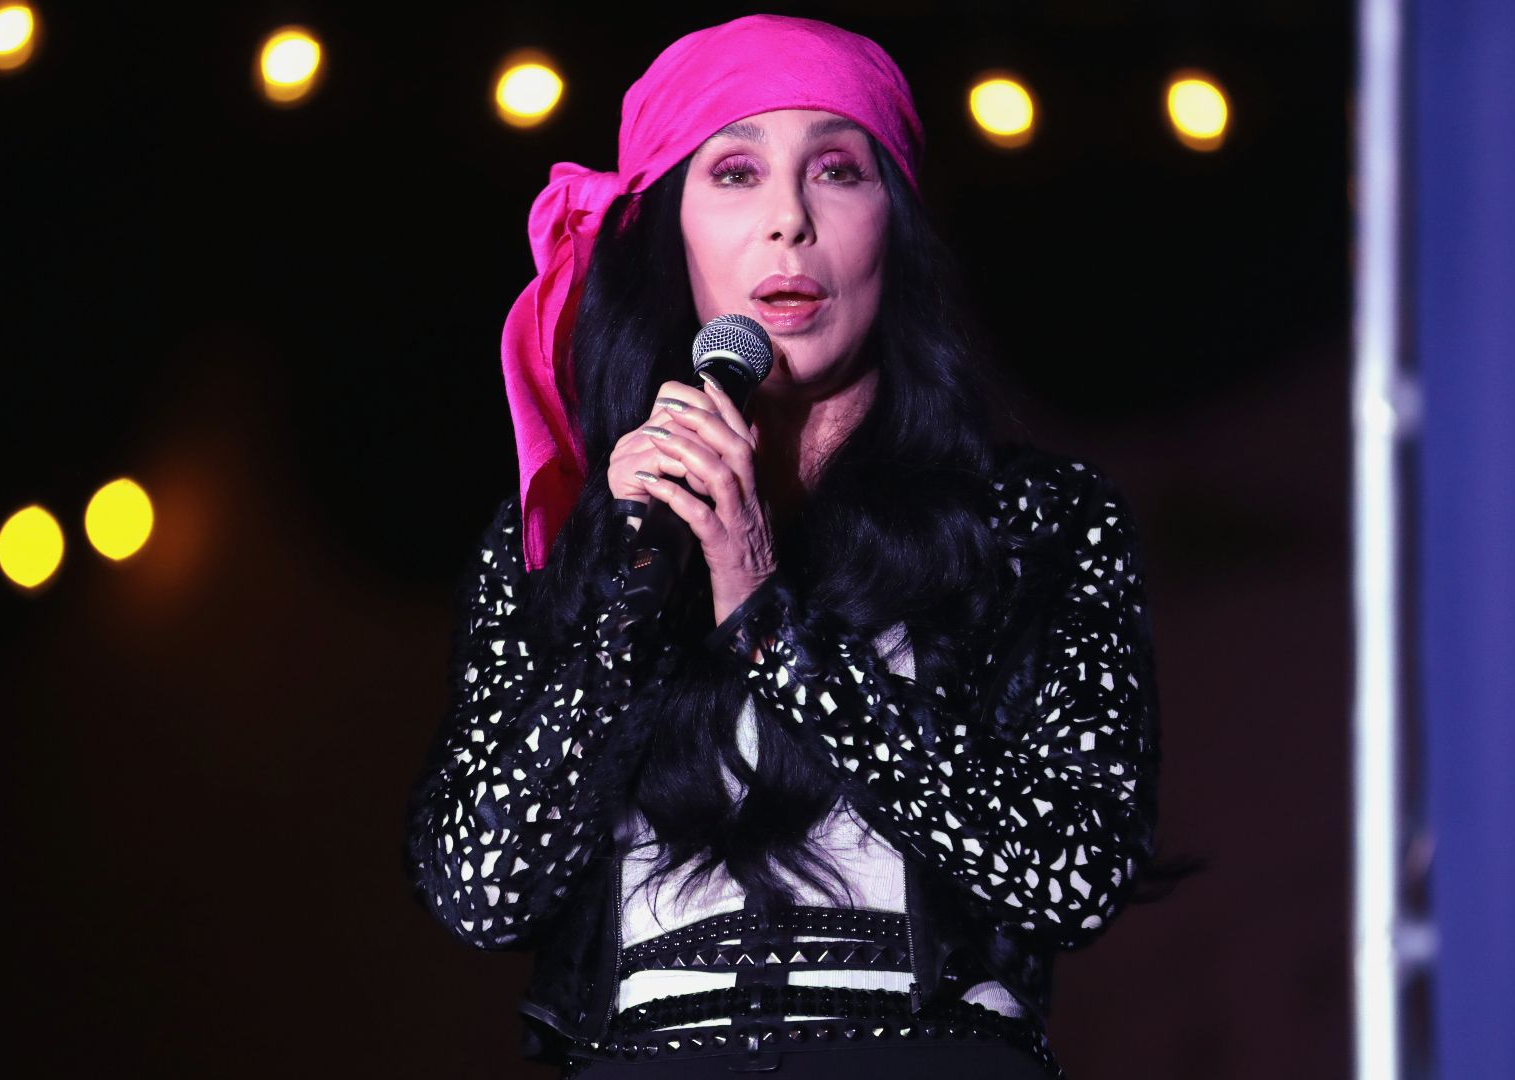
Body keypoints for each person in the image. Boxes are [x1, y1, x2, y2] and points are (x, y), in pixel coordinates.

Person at [405, 14, 1190, 1078]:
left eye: (836, 171)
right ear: (669, 234)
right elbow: (481, 892)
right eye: (735, 174)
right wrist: (628, 599)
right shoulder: (568, 532)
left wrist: (766, 615)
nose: (790, 221)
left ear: (893, 224)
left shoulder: (1035, 519)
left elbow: (1072, 879)